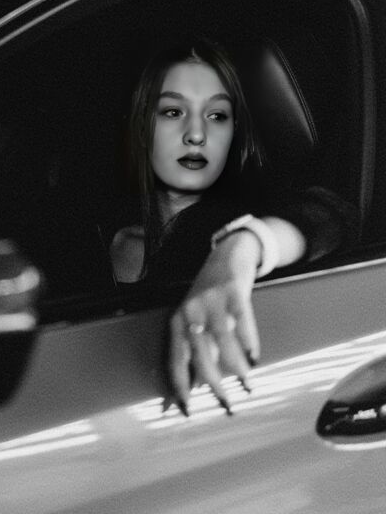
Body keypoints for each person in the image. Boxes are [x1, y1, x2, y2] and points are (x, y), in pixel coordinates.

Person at [110, 38, 353, 417]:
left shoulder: (236, 233)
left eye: (216, 115)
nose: (196, 133)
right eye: (173, 111)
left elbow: (333, 216)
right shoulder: (107, 242)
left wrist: (244, 246)